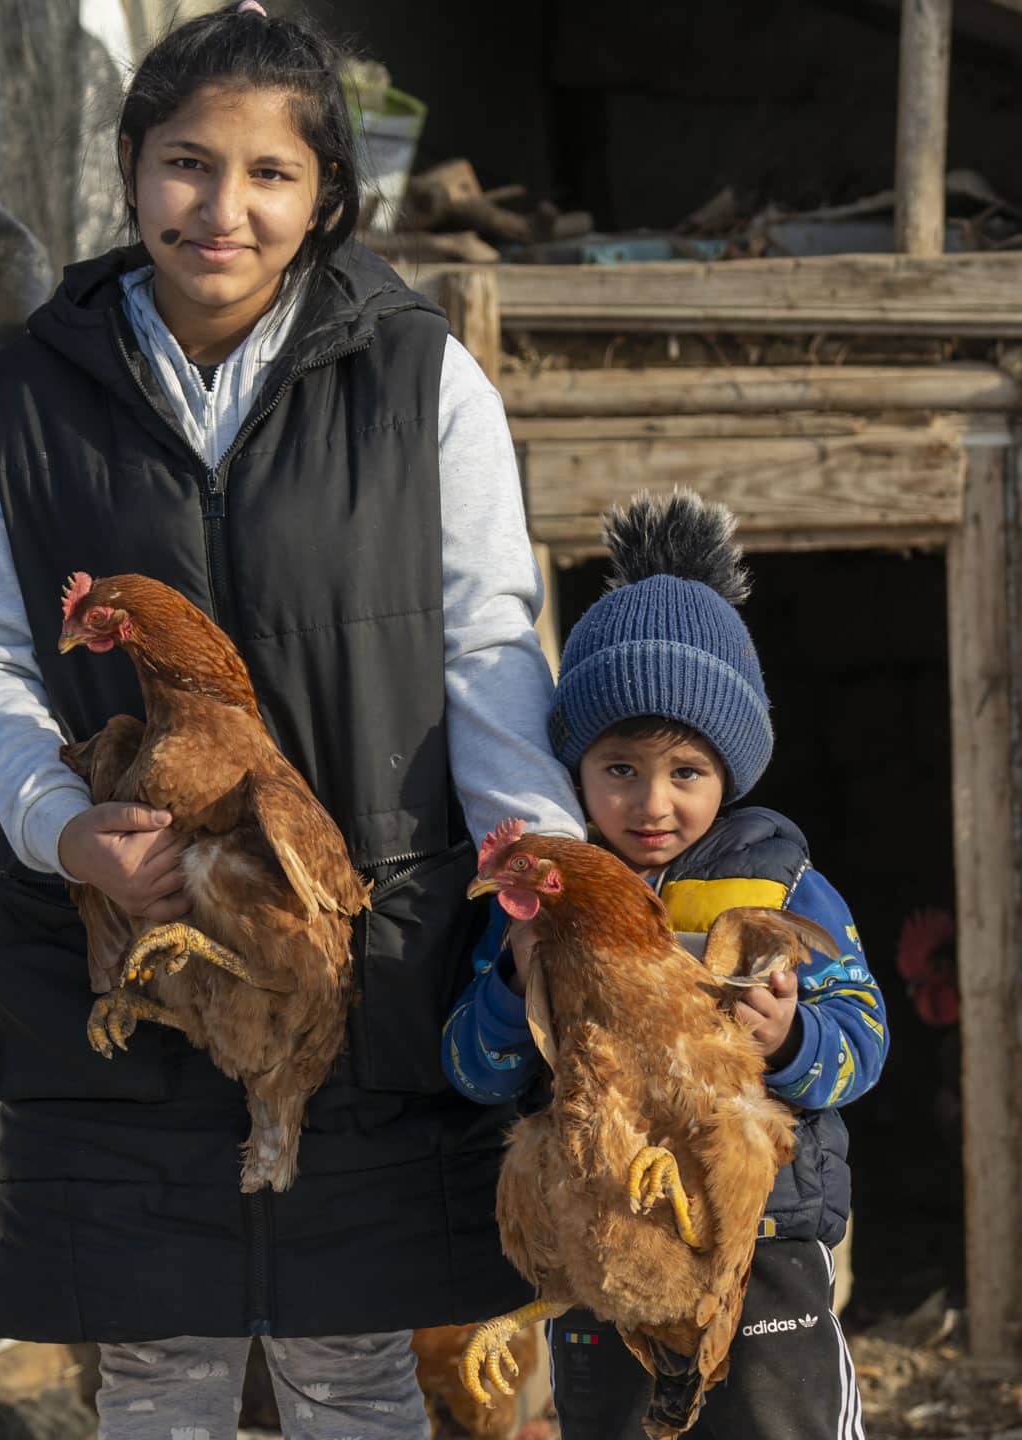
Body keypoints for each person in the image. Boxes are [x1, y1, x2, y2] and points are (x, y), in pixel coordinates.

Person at [0, 5, 584, 1437]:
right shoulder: (24, 405)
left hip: (354, 952)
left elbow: (486, 644)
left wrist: (540, 870)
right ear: (129, 166)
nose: (222, 208)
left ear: (326, 196)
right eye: (185, 164)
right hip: (124, 951)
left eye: (269, 174)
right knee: (158, 1367)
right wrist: (63, 836)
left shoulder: (422, 384)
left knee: (356, 1366)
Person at [443, 490, 887, 1440]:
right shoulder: (547, 894)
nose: (652, 802)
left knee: (784, 1423)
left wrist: (796, 1035)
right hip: (605, 1244)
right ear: (577, 767)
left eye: (685, 772)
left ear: (730, 769)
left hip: (758, 1236)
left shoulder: (778, 880)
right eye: (619, 768)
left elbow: (866, 1035)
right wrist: (515, 987)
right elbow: (471, 1071)